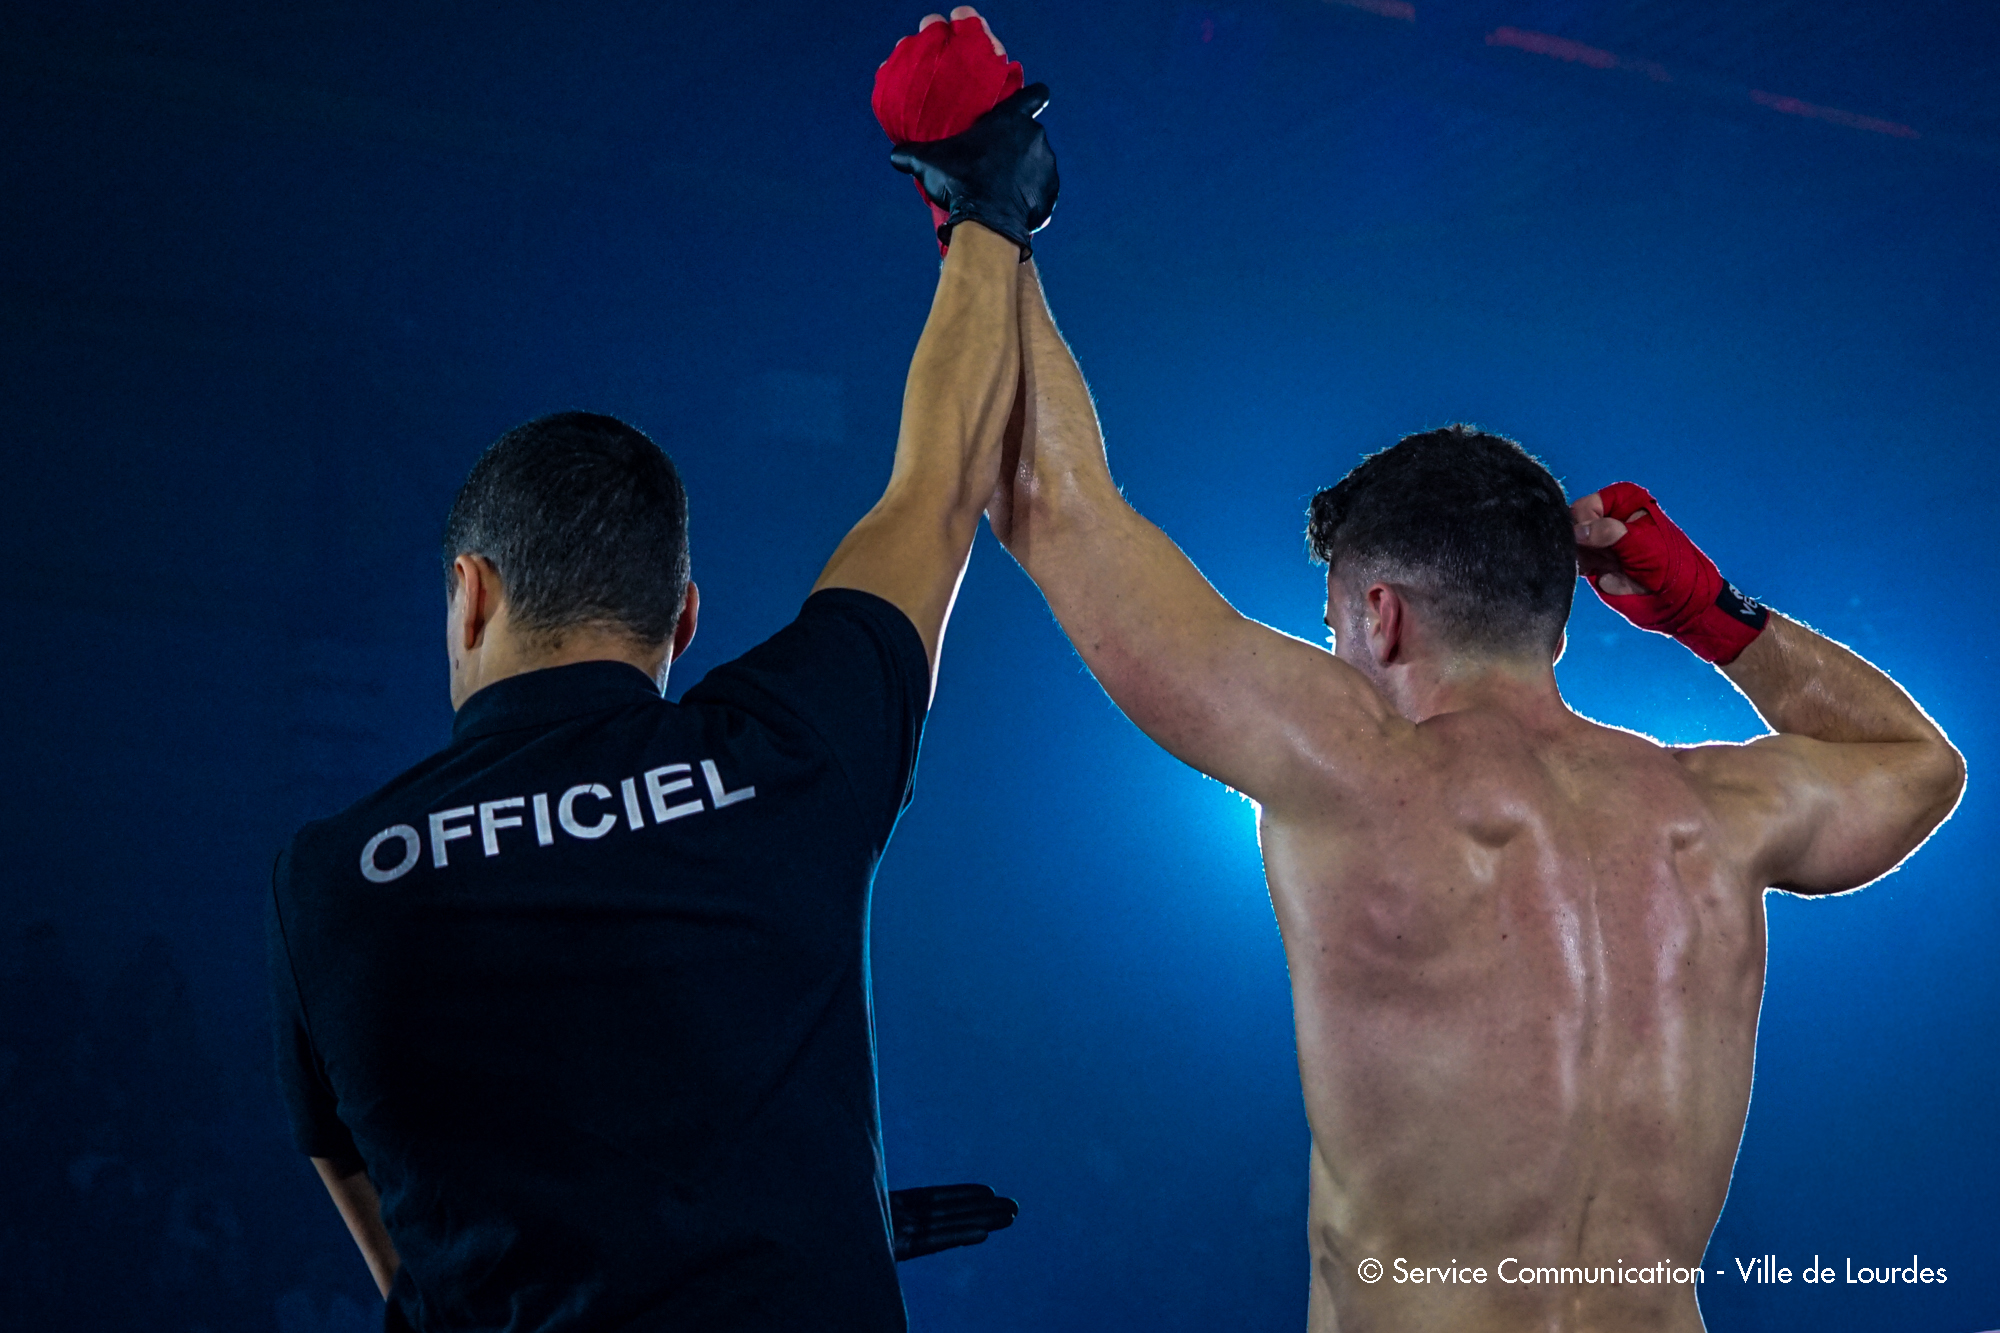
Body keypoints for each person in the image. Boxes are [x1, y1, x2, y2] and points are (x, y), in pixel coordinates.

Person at [937, 25, 1963, 1329]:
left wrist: (983, 214)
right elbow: (1917, 765)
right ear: (1557, 617)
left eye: (1330, 623)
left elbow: (1051, 505)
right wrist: (1712, 615)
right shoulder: (1709, 813)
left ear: (1380, 614)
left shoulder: (1354, 771)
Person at [264, 76, 1055, 1330]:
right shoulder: (782, 755)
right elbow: (934, 493)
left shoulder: (329, 879)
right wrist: (985, 214)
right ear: (684, 619)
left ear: (468, 594)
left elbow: (387, 1211)